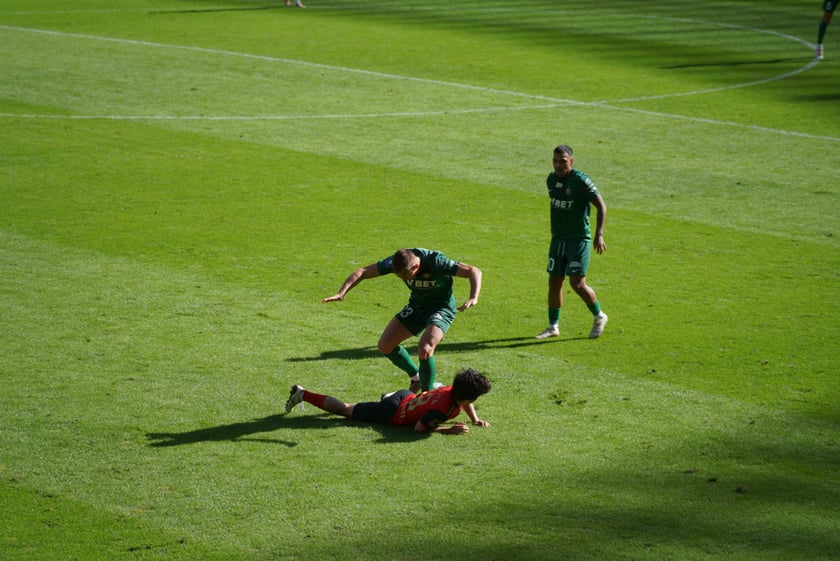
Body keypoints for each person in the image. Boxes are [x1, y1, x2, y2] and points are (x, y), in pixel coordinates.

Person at [323, 248, 481, 392]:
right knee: (385, 346)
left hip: (441, 308)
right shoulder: (396, 261)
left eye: (404, 276)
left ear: (415, 267)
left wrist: (474, 297)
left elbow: (474, 271)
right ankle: (416, 377)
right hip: (417, 307)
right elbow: (363, 271)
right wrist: (342, 292)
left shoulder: (437, 262)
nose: (401, 278)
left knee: (425, 348)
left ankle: (426, 396)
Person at [536, 145, 608, 340]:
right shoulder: (551, 180)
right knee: (554, 281)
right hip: (558, 239)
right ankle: (553, 326)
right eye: (555, 161)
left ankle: (599, 316)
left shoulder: (581, 181)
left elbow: (601, 206)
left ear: (571, 161)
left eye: (563, 161)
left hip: (578, 240)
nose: (558, 165)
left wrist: (598, 234)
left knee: (576, 283)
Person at [284, 368, 491, 435]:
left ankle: (388, 396)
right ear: (468, 396)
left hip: (404, 395)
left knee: (384, 402)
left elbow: (463, 399)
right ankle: (302, 394)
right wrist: (448, 430)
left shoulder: (451, 390)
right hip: (392, 411)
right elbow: (420, 428)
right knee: (346, 410)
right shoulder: (443, 410)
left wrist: (475, 418)